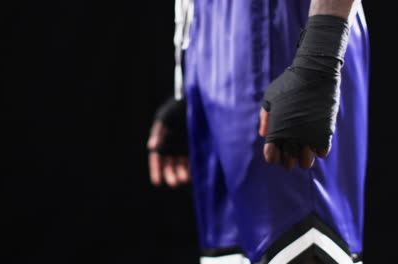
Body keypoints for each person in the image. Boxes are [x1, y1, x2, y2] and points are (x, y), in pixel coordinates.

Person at [147, 0, 369, 263]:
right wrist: (188, 91)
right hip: (209, 36)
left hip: (284, 31)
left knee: (301, 248)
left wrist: (319, 54)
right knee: (229, 256)